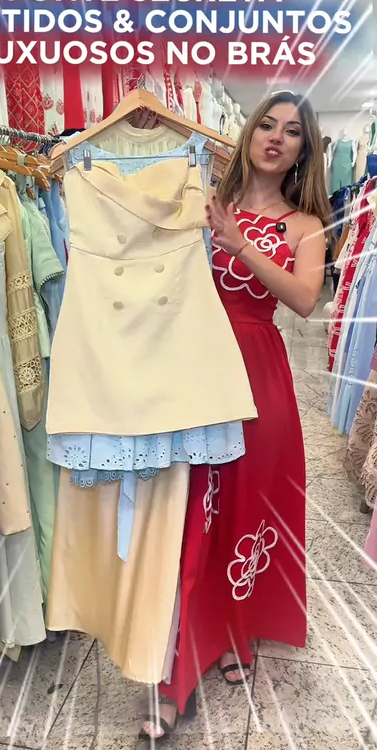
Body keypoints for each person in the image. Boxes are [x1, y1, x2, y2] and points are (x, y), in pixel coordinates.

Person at [140, 91, 332, 741]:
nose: (276, 137)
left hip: (258, 375)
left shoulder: (305, 226)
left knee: (248, 503)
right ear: (248, 134)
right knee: (194, 509)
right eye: (267, 125)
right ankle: (177, 663)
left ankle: (236, 626)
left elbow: (303, 299)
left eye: (292, 132)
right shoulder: (205, 199)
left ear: (303, 151)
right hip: (195, 368)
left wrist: (241, 245)